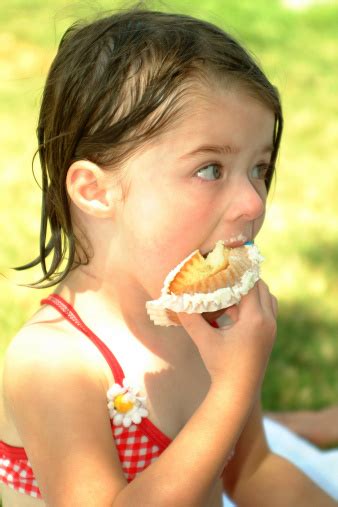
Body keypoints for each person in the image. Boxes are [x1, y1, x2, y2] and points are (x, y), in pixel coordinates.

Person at [0, 7, 335, 506]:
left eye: (259, 168)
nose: (254, 202)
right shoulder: (55, 364)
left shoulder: (210, 324)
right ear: (95, 190)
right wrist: (233, 387)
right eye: (210, 169)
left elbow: (252, 473)